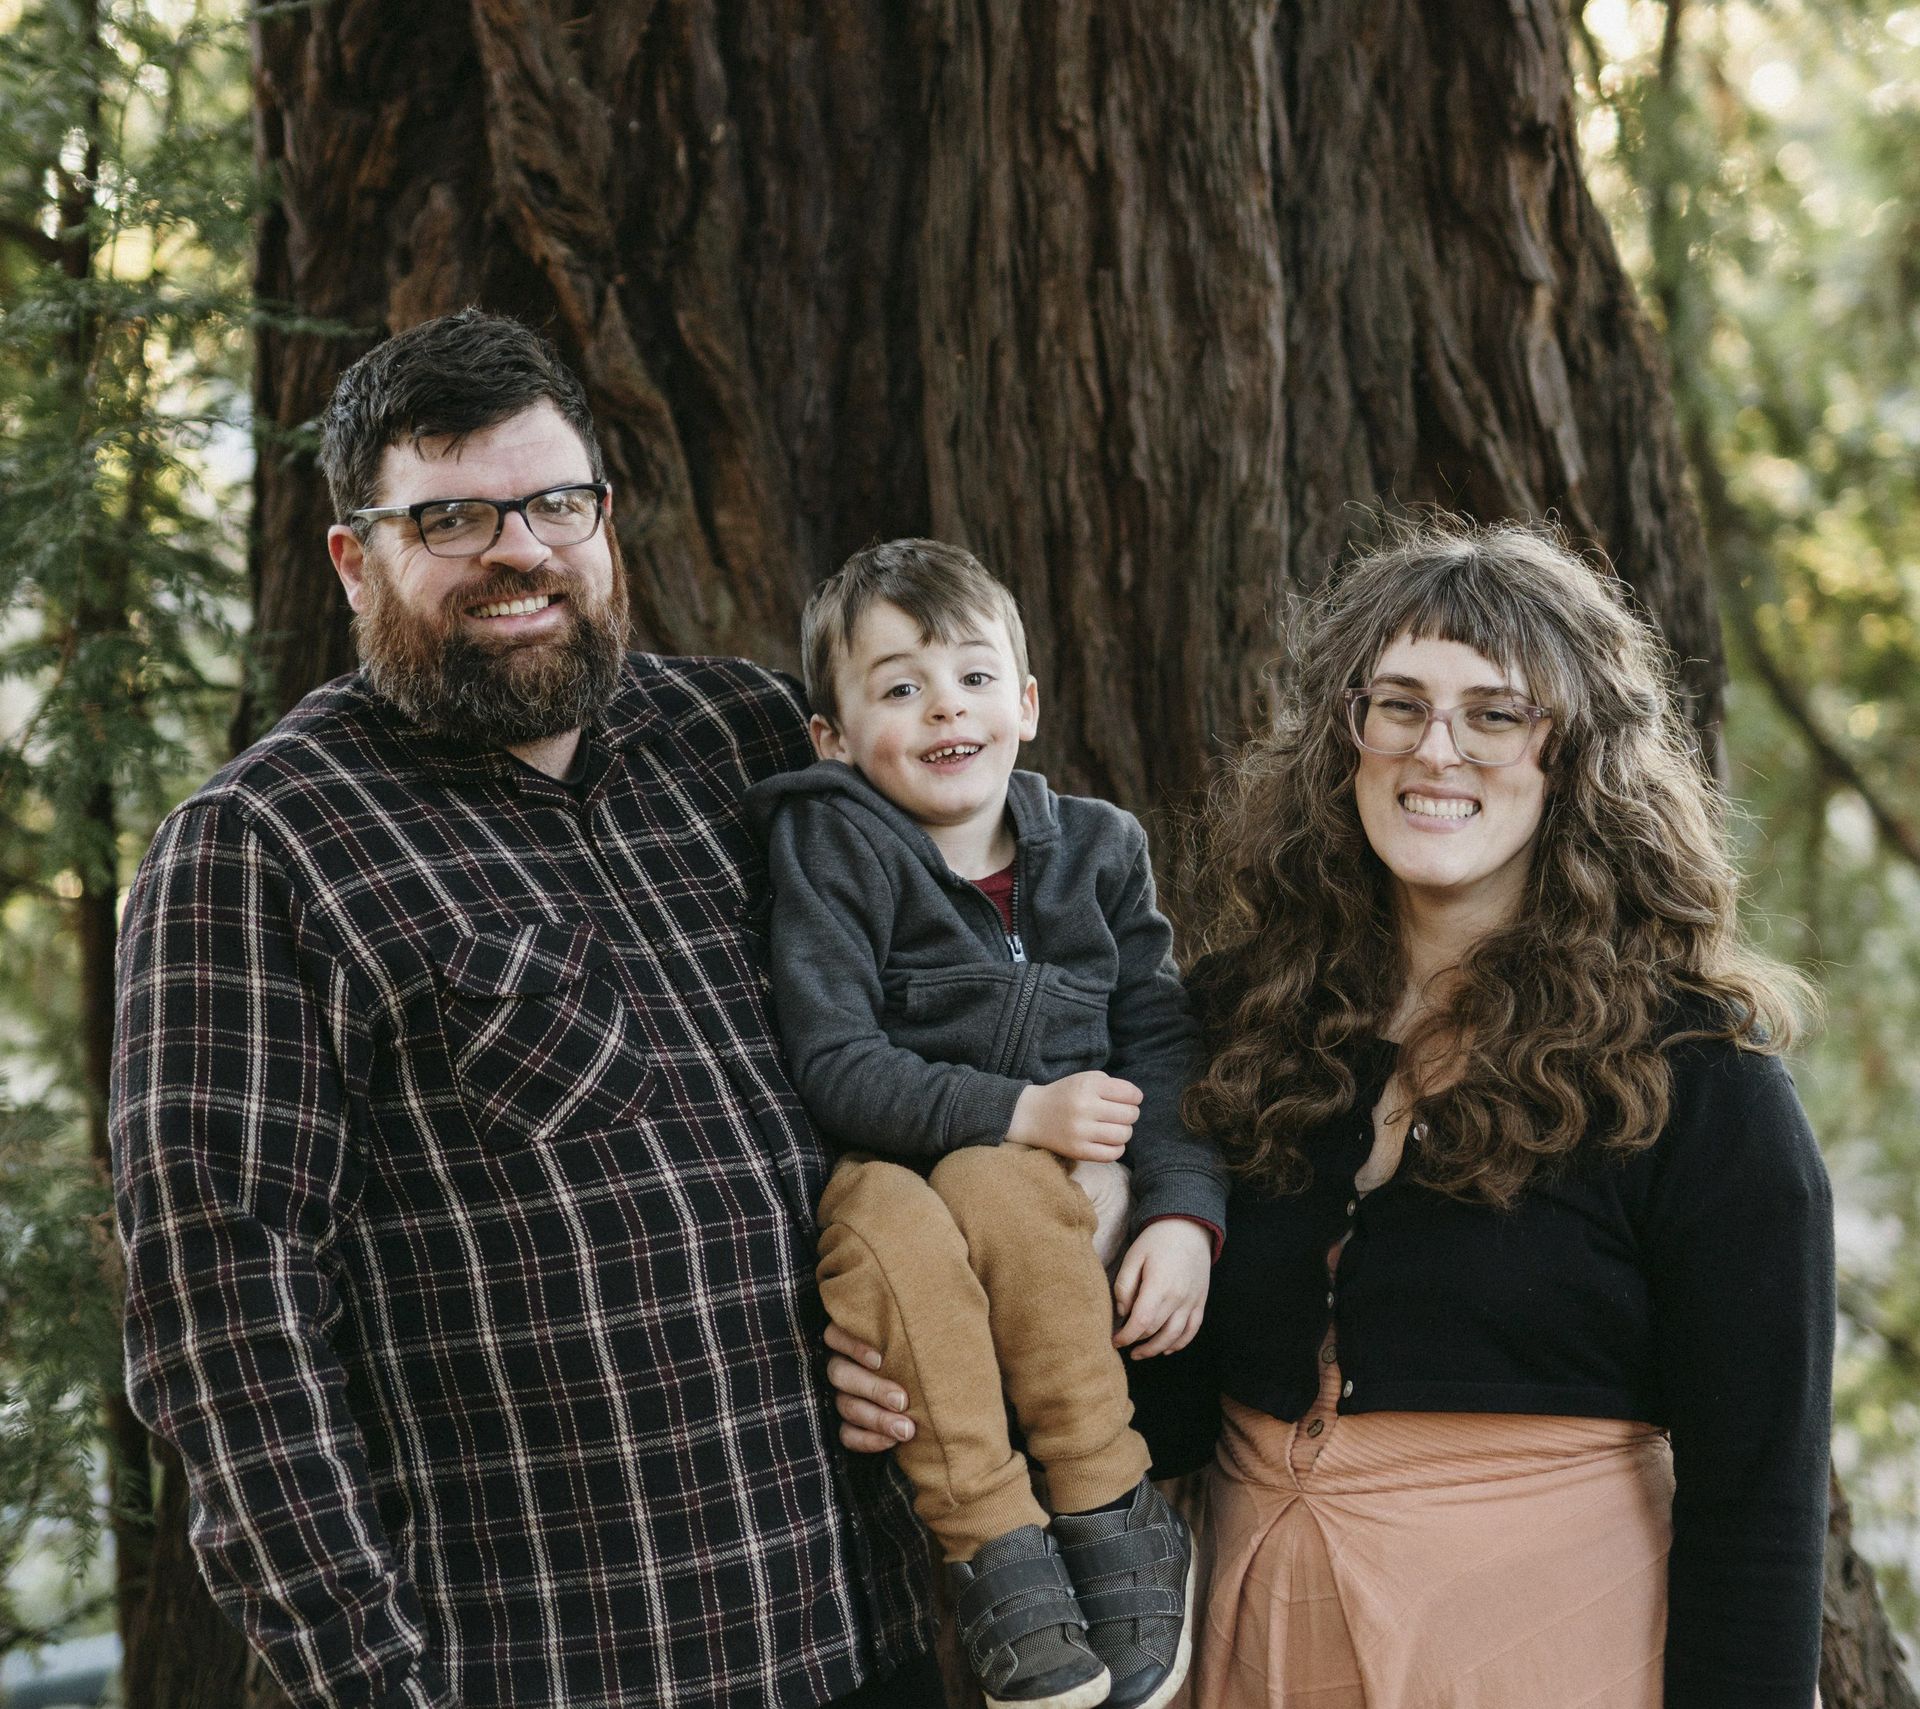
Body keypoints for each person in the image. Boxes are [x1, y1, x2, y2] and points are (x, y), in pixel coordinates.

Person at [830, 520, 1836, 1709]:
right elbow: (1158, 1392)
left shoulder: (1697, 1077)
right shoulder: (1236, 1027)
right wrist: (932, 1354)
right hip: (1255, 1646)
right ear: (1345, 736)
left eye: (1496, 712)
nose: (1436, 749)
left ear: (1575, 755)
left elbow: (1761, 1503)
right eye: (1397, 705)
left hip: (1557, 1652)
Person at [109, 310, 939, 1709]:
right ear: (354, 556)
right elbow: (226, 1331)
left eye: (557, 502)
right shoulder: (262, 846)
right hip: (557, 1667)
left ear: (604, 518)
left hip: (873, 1635)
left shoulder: (745, 741)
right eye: (452, 517)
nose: (521, 549)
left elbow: (952, 997)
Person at [743, 540, 1228, 1709]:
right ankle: (994, 1552)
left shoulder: (1101, 851)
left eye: (971, 675)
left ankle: (1112, 1509)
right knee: (915, 1208)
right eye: (899, 686)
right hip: (893, 1172)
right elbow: (836, 1058)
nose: (943, 706)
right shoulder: (832, 845)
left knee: (1006, 1187)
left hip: (1046, 1210)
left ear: (1026, 701)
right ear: (835, 737)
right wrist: (1022, 1108)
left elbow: (1162, 1046)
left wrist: (1181, 1213)